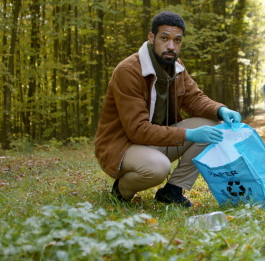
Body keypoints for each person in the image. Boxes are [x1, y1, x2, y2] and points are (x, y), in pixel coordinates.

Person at [95, 11, 241, 207]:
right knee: (157, 168)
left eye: (177, 40)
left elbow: (194, 99)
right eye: (164, 38)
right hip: (122, 146)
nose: (171, 46)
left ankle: (172, 191)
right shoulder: (128, 71)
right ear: (151, 37)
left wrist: (221, 110)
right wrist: (188, 134)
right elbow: (137, 130)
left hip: (154, 140)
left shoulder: (176, 66)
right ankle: (121, 191)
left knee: (213, 126)